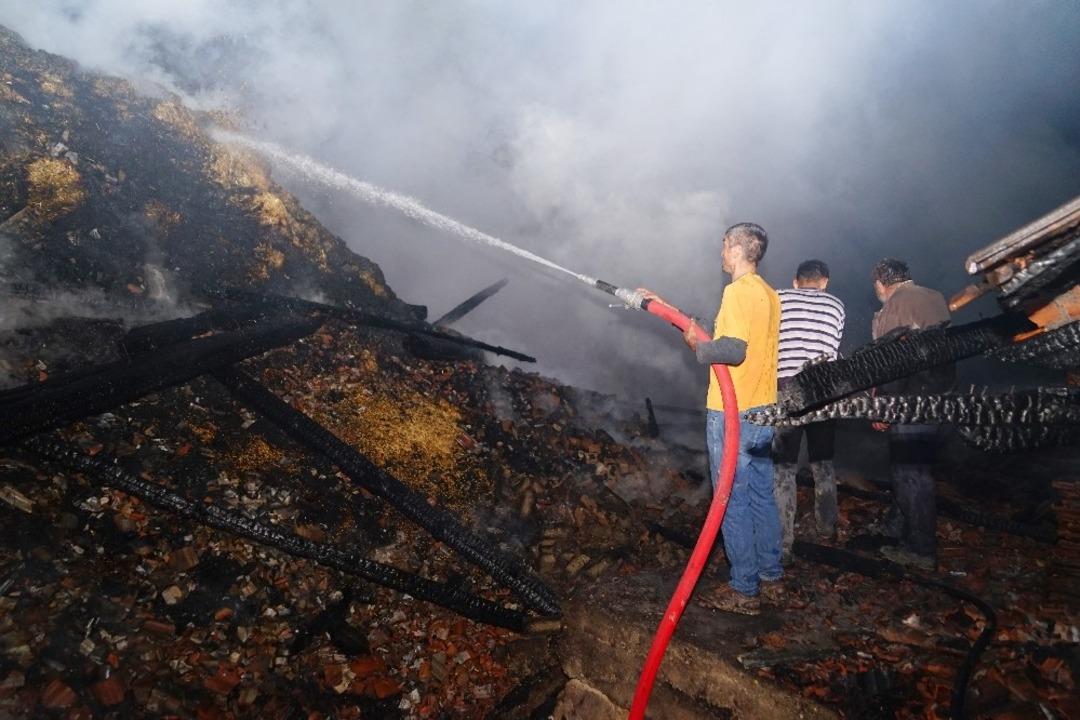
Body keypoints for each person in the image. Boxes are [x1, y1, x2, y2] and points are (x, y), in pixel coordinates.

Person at [680, 222, 782, 615]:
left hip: (732, 411)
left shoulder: (737, 291)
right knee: (760, 493)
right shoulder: (769, 294)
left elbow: (733, 350)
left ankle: (744, 589)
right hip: (763, 409)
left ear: (738, 250)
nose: (721, 253)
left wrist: (696, 342)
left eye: (724, 246)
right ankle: (771, 576)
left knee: (731, 497)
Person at [869, 258, 956, 570]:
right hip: (940, 397)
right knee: (909, 465)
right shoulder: (933, 297)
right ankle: (897, 525)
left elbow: (893, 363)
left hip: (910, 401)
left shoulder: (896, 306)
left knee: (911, 474)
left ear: (882, 281)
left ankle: (921, 550)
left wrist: (884, 408)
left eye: (874, 283)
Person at [773, 260, 845, 564]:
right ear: (824, 281)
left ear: (795, 280)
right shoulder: (837, 306)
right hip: (824, 393)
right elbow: (833, 348)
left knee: (783, 468)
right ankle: (827, 526)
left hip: (787, 390)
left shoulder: (779, 297)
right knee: (823, 463)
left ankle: (783, 544)